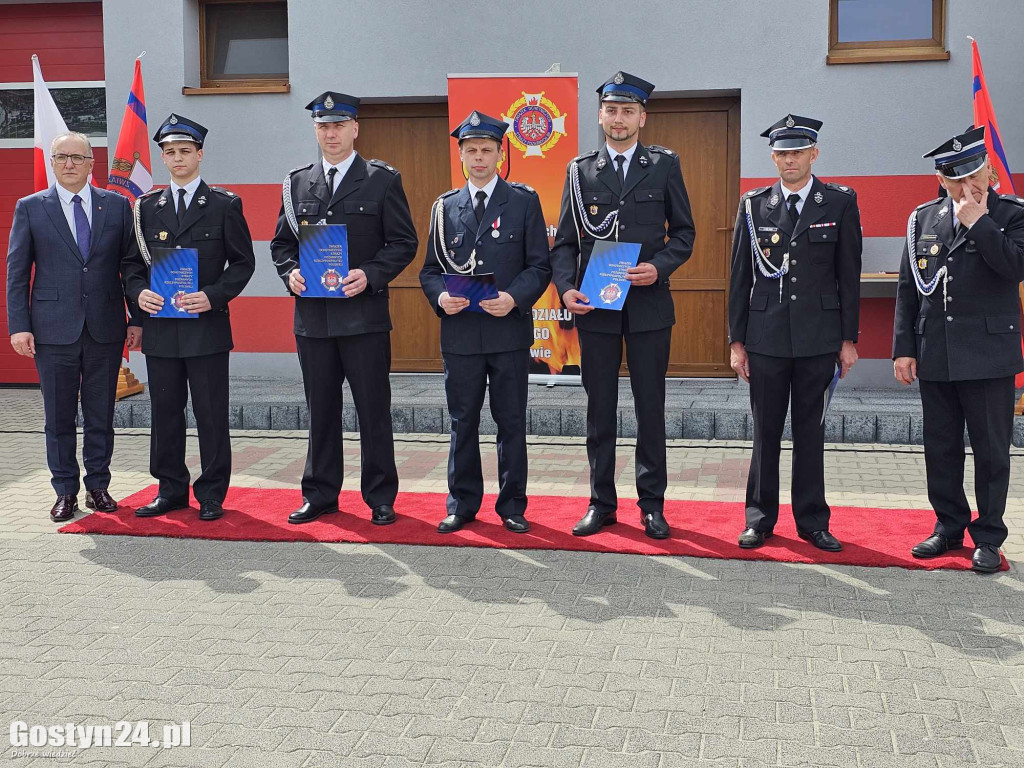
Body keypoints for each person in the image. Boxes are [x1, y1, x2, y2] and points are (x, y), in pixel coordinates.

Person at [550, 71, 695, 539]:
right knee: (600, 410)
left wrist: (660, 267)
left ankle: (652, 505)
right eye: (611, 110)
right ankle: (601, 503)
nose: (619, 119)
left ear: (642, 118)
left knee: (650, 407)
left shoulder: (664, 166)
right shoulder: (580, 171)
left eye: (628, 111)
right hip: (596, 307)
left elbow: (685, 234)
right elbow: (565, 242)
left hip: (648, 304)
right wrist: (566, 288)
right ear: (600, 115)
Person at [270, 91, 418, 526]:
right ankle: (320, 494)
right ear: (315, 130)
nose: (330, 134)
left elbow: (403, 242)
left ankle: (380, 496)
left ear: (355, 128)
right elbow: (282, 244)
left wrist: (370, 274)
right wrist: (290, 274)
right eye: (323, 127)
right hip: (313, 319)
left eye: (338, 126)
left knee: (373, 410)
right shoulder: (297, 183)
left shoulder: (381, 180)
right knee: (320, 411)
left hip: (363, 317)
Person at [727, 114, 862, 552]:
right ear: (773, 158)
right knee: (765, 432)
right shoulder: (754, 205)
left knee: (810, 433)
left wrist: (847, 340)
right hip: (765, 337)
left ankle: (813, 522)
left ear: (813, 154)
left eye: (798, 152)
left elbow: (848, 276)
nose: (790, 160)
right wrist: (736, 343)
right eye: (782, 153)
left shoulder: (838, 202)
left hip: (818, 338)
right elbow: (739, 278)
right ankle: (759, 520)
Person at [893, 126, 1024, 574]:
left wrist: (980, 223)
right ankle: (948, 527)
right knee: (941, 448)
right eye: (957, 178)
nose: (968, 185)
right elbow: (909, 289)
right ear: (941, 180)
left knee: (991, 451)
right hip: (937, 352)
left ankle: (988, 537)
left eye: (975, 174)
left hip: (988, 354)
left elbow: (1015, 267)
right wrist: (904, 348)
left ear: (988, 170)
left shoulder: (1011, 214)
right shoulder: (923, 219)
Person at [420, 111, 551, 534]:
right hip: (460, 335)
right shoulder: (445, 208)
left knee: (511, 422)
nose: (479, 157)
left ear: (500, 155)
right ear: (461, 156)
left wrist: (513, 298)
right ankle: (461, 504)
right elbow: (429, 270)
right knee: (463, 422)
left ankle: (512, 505)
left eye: (487, 150)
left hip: (507, 332)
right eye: (471, 150)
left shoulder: (523, 202)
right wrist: (441, 297)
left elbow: (540, 266)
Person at [123, 114, 255, 521]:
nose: (177, 158)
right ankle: (170, 490)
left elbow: (243, 263)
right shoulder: (146, 208)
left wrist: (212, 296)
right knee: (165, 414)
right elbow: (131, 265)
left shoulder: (224, 204)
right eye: (170, 152)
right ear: (163, 158)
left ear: (200, 154)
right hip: (162, 330)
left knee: (211, 414)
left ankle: (212, 493)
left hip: (206, 329)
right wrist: (138, 293)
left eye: (184, 150)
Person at [6, 131, 140, 522]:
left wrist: (137, 318)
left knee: (101, 415)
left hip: (105, 327)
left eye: (77, 157)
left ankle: (98, 486)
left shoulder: (117, 206)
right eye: (62, 157)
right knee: (59, 417)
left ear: (91, 163)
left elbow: (131, 266)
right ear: (52, 162)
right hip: (52, 331)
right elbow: (17, 273)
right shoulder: (31, 207)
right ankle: (65, 490)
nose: (69, 164)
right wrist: (19, 326)